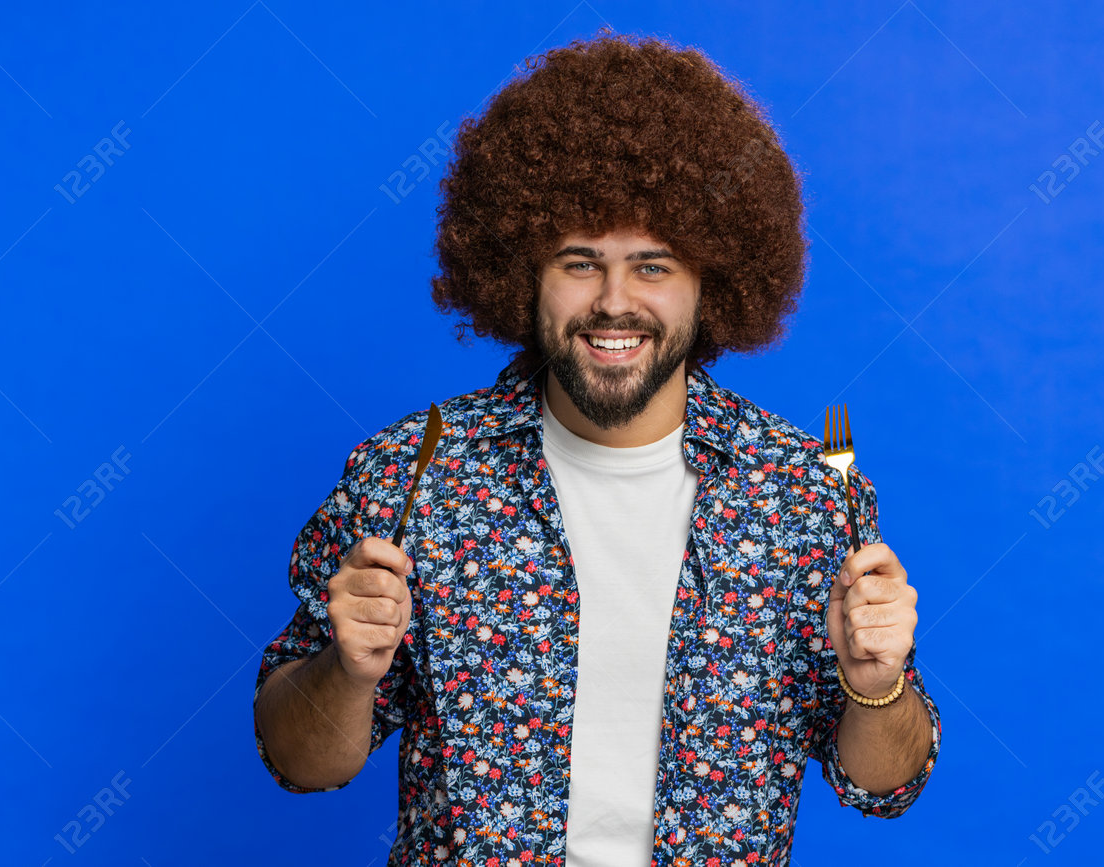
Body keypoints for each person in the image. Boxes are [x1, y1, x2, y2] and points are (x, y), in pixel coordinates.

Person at [253, 31, 941, 866]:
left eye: (654, 266)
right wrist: (348, 668)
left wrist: (876, 685)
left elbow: (884, 785)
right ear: (521, 271)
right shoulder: (414, 473)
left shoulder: (805, 493)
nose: (614, 302)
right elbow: (301, 762)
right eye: (580, 263)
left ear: (712, 280)